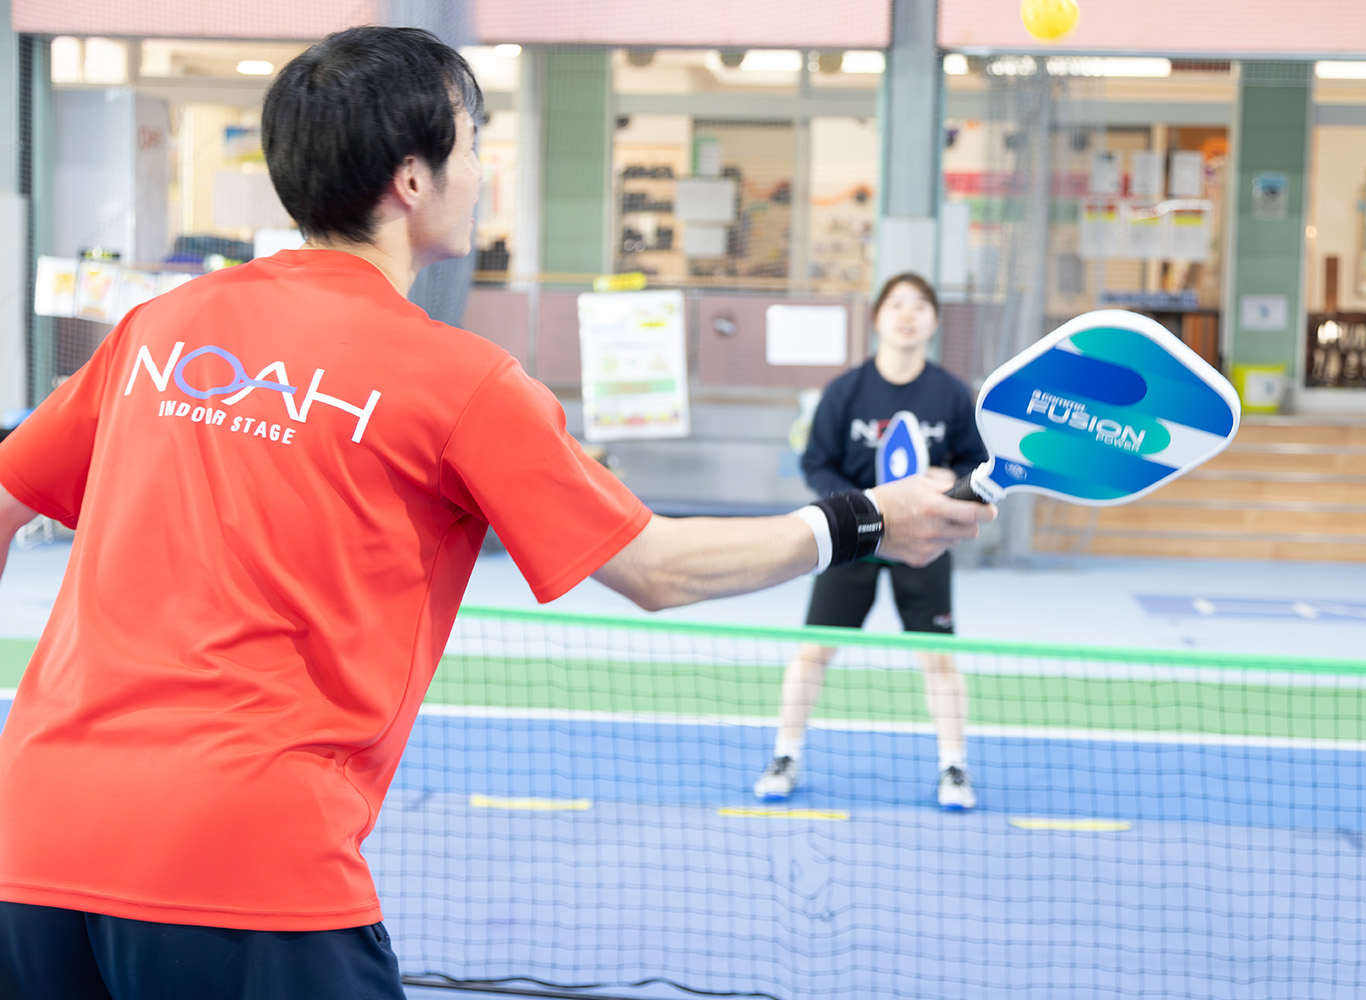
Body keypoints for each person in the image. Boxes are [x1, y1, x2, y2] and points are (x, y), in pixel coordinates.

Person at [0, 28, 993, 1000]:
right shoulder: (460, 380)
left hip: (29, 835)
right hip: (245, 864)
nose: (486, 168)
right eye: (476, 142)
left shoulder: (156, 330)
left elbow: (6, 496)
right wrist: (867, 520)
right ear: (413, 179)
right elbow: (658, 568)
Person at [753, 273, 990, 811]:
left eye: (921, 306)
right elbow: (817, 462)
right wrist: (862, 508)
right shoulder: (846, 391)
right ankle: (785, 754)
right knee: (813, 653)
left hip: (924, 542)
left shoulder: (952, 394)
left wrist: (943, 493)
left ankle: (954, 766)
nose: (908, 315)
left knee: (939, 659)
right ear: (878, 317)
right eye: (897, 305)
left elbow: (978, 464)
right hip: (853, 539)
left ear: (933, 321)